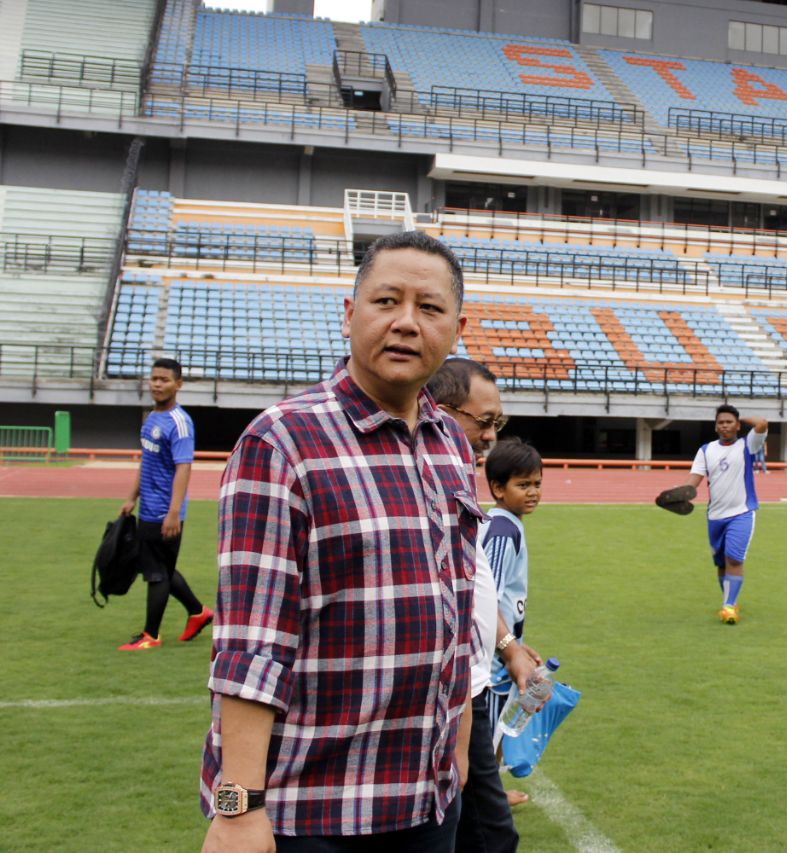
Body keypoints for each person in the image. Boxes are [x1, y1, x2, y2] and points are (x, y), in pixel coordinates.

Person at [201, 232, 480, 852]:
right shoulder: (281, 443)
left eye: (429, 308)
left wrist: (458, 745)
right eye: (387, 301)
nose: (407, 322)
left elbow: (456, 613)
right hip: (313, 813)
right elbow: (251, 642)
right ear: (350, 314)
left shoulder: (451, 444)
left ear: (457, 329)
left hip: (426, 802)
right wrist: (237, 807)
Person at [428, 358, 542, 848]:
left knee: (485, 833)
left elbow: (475, 585)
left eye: (497, 423)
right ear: (439, 409)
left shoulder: (459, 488)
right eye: (485, 421)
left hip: (468, 688)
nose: (490, 436)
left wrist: (509, 644)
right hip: (436, 695)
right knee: (481, 835)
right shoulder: (417, 482)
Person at [117, 357, 212, 651]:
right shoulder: (151, 418)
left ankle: (151, 635)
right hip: (148, 508)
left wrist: (173, 513)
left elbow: (183, 468)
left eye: (165, 380)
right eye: (154, 378)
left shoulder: (180, 423)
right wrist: (132, 497)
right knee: (160, 568)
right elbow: (146, 461)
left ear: (178, 385)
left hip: (164, 512)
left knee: (157, 573)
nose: (158, 384)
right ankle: (199, 612)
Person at [477, 437, 544, 811]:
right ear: (498, 488)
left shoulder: (505, 523)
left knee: (500, 726)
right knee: (486, 736)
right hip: (490, 663)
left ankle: (489, 795)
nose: (532, 492)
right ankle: (481, 806)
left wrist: (518, 643)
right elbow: (486, 597)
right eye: (522, 485)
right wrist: (508, 650)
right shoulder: (503, 531)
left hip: (501, 650)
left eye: (536, 483)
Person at [680, 404, 767, 624]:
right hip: (715, 516)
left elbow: (762, 423)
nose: (724, 425)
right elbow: (694, 480)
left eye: (729, 422)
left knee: (734, 559)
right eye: (720, 422)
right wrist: (680, 494)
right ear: (715, 426)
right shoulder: (706, 450)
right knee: (721, 564)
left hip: (742, 513)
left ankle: (728, 607)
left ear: (737, 425)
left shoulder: (747, 445)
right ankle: (730, 600)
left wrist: (740, 417)